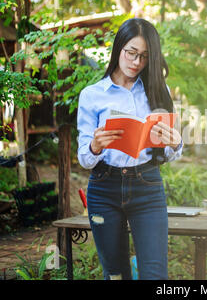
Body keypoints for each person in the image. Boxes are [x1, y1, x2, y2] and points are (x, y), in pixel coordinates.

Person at [77, 18, 183, 280]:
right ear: (118, 49)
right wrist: (95, 145)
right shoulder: (92, 95)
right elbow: (84, 158)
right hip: (104, 187)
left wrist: (175, 142)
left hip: (147, 186)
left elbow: (170, 153)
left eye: (144, 57)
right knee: (115, 274)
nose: (136, 63)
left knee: (155, 275)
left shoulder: (159, 90)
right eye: (131, 53)